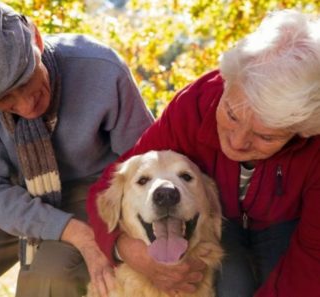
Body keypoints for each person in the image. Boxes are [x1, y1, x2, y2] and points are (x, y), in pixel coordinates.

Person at [87, 9, 320, 297]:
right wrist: (126, 249)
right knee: (233, 286)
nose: (237, 142)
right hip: (220, 224)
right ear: (227, 83)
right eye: (232, 115)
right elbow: (108, 190)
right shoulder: (194, 106)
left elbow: (313, 256)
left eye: (265, 135)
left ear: (303, 129)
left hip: (290, 229)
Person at [0, 0, 154, 296]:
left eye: (26, 80)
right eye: (5, 100)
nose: (26, 105)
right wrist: (74, 232)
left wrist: (113, 239)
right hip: (18, 194)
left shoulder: (101, 68)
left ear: (37, 38)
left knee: (48, 279)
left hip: (96, 192)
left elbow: (146, 165)